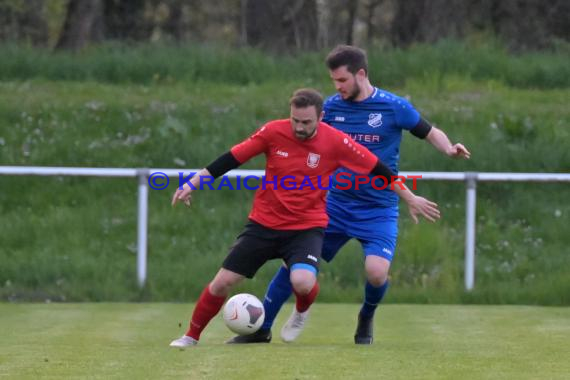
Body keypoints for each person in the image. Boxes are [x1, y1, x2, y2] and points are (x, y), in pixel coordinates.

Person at [228, 45, 470, 345]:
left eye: (342, 80)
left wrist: (448, 148)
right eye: (333, 81)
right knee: (294, 264)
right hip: (334, 206)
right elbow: (302, 139)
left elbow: (430, 131)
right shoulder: (330, 108)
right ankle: (261, 327)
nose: (337, 87)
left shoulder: (394, 107)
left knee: (377, 273)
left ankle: (366, 315)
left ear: (361, 74)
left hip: (378, 208)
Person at [169, 88, 440, 347]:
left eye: (306, 122)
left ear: (321, 117)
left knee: (302, 282)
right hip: (264, 223)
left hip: (306, 227)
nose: (299, 127)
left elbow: (378, 169)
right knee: (222, 282)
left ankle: (302, 310)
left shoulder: (336, 140)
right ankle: (191, 337)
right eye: (295, 120)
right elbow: (231, 158)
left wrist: (410, 197)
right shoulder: (273, 131)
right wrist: (193, 182)